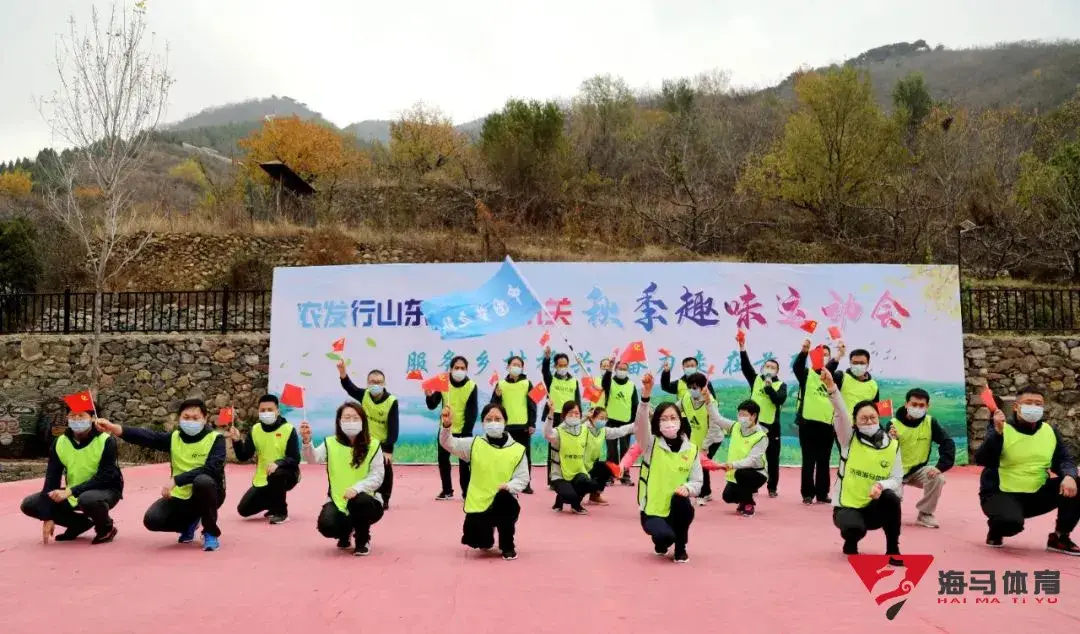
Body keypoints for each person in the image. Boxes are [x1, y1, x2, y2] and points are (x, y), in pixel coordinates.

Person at [95, 399, 227, 552]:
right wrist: (113, 428)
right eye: (186, 417)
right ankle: (189, 524)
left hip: (210, 493)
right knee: (152, 520)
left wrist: (177, 480)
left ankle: (210, 532)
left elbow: (211, 469)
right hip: (181, 495)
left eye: (195, 418)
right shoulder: (174, 438)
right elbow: (148, 437)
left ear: (205, 418)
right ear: (179, 418)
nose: (190, 421)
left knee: (203, 481)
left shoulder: (216, 439)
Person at [975, 387, 1080, 554]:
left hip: (1036, 492)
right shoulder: (1001, 428)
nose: (1034, 407)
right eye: (1028, 403)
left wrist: (1069, 475)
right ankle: (997, 528)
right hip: (1001, 492)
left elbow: (1064, 459)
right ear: (1016, 407)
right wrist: (997, 434)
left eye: (1038, 404)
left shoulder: (1049, 431)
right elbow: (982, 459)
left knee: (1077, 483)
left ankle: (1060, 537)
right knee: (1010, 523)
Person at [820, 371, 903, 561]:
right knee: (854, 528)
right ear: (855, 421)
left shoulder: (892, 445)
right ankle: (851, 540)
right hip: (847, 506)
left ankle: (893, 548)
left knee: (891, 498)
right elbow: (841, 413)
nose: (869, 422)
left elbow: (897, 479)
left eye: (873, 418)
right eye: (863, 419)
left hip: (873, 507)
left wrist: (881, 485)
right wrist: (832, 387)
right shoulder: (848, 439)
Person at [20, 405, 122, 544]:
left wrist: (71, 491)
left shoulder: (106, 440)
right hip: (73, 491)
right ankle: (79, 524)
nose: (76, 419)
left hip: (105, 490)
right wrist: (47, 516)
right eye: (72, 416)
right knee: (30, 504)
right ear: (67, 418)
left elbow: (105, 476)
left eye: (81, 416)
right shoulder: (60, 442)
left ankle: (106, 528)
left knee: (88, 499)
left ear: (92, 418)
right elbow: (52, 479)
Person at [440, 403, 530, 561]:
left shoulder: (517, 449)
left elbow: (523, 478)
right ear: (483, 423)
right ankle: (486, 534)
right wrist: (447, 427)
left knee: (504, 499)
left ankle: (507, 545)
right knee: (479, 543)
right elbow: (449, 444)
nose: (493, 423)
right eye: (489, 419)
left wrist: (509, 486)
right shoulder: (474, 444)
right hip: (479, 503)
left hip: (503, 501)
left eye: (497, 419)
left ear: (505, 422)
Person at [299, 403, 385, 556]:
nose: (351, 421)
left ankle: (363, 539)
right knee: (327, 526)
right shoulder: (330, 443)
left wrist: (357, 489)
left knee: (360, 502)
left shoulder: (374, 445)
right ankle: (345, 532)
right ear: (339, 421)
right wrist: (307, 442)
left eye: (355, 418)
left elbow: (377, 476)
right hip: (338, 500)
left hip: (367, 500)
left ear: (363, 421)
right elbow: (313, 459)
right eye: (347, 418)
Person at [635, 373, 703, 563]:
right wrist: (645, 397)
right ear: (657, 422)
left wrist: (688, 488)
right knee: (665, 537)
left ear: (680, 421)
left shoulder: (692, 449)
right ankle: (662, 540)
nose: (669, 422)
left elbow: (697, 482)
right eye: (664, 419)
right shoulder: (650, 444)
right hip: (653, 511)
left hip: (676, 509)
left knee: (682, 503)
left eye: (673, 417)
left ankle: (681, 548)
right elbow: (640, 425)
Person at [884, 388, 955, 529]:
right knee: (890, 508)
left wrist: (940, 466)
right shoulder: (893, 424)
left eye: (921, 405)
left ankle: (925, 514)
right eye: (914, 404)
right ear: (906, 404)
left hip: (917, 470)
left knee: (937, 478)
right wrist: (890, 440)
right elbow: (881, 451)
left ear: (927, 406)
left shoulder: (930, 422)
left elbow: (947, 443)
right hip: (894, 472)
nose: (917, 408)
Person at [229, 394, 300, 524]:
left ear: (277, 411)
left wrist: (278, 463)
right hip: (263, 478)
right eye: (263, 410)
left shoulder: (289, 429)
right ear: (258, 412)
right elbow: (243, 456)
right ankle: (273, 503)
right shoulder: (255, 430)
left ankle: (281, 512)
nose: (266, 413)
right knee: (243, 510)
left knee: (276, 473)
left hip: (287, 474)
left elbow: (294, 459)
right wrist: (237, 441)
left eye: (270, 410)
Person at [337, 362, 398, 509]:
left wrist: (388, 449)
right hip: (365, 440)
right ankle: (360, 493)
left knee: (385, 470)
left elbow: (394, 427)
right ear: (367, 383)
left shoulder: (391, 401)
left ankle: (385, 497)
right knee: (361, 467)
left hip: (382, 444)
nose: (375, 385)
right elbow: (349, 387)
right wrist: (342, 372)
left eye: (379, 382)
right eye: (372, 382)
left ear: (384, 384)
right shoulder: (364, 395)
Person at [738, 335, 788, 498]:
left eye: (773, 367)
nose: (769, 369)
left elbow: (779, 399)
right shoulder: (755, 380)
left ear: (777, 371)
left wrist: (769, 388)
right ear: (763, 368)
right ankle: (751, 485)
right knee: (751, 456)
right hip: (754, 426)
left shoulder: (781, 385)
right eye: (767, 366)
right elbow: (746, 367)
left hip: (772, 427)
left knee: (772, 459)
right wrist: (742, 348)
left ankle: (772, 487)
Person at [425, 356, 477, 501]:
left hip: (464, 431)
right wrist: (429, 396)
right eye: (456, 368)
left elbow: (472, 412)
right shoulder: (444, 383)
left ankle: (466, 492)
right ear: (451, 369)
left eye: (462, 368)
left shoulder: (471, 386)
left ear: (466, 370)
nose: (459, 370)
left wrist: (466, 432)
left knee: (464, 464)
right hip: (445, 429)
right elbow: (432, 405)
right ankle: (447, 491)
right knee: (443, 461)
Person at [793, 338, 836, 505]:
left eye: (826, 355)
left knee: (824, 460)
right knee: (809, 460)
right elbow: (797, 367)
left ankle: (822, 493)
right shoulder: (806, 374)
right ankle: (807, 494)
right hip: (808, 424)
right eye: (820, 354)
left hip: (827, 425)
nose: (823, 357)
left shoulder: (835, 377)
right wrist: (804, 352)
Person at [489, 356, 537, 494]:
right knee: (506, 455)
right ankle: (506, 482)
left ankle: (526, 484)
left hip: (523, 426)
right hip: (506, 427)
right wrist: (497, 396)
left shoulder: (527, 383)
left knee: (524, 456)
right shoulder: (501, 384)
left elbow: (532, 404)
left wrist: (532, 423)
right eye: (513, 364)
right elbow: (493, 405)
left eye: (519, 365)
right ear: (508, 367)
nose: (516, 367)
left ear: (522, 368)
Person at [716, 401, 770, 517]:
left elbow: (751, 461)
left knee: (741, 474)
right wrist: (708, 402)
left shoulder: (761, 437)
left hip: (757, 473)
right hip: (739, 471)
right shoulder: (735, 426)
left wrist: (732, 465)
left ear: (754, 416)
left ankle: (748, 504)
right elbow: (717, 418)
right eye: (739, 414)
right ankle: (744, 499)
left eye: (744, 415)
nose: (741, 417)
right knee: (728, 497)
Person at [678, 372, 722, 505]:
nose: (692, 390)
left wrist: (705, 447)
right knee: (695, 464)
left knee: (702, 464)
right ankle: (703, 491)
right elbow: (674, 408)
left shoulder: (710, 403)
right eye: (690, 387)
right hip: (696, 438)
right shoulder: (686, 397)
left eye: (695, 387)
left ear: (703, 388)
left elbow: (714, 428)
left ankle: (705, 493)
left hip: (712, 439)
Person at [545, 402, 596, 514]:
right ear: (564, 415)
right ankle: (563, 499)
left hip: (578, 472)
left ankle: (575, 505)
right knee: (570, 496)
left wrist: (591, 416)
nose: (574, 415)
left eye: (577, 413)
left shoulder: (584, 429)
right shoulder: (557, 432)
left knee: (591, 485)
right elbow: (547, 434)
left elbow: (579, 425)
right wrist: (551, 414)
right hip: (560, 475)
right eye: (570, 413)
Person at [541, 348, 581, 488]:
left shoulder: (574, 381)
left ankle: (567, 477)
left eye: (565, 365)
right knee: (553, 449)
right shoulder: (551, 379)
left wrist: (579, 416)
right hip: (555, 417)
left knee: (568, 447)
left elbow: (577, 400)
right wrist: (547, 358)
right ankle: (553, 479)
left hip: (569, 418)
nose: (563, 367)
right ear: (556, 366)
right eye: (560, 365)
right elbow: (545, 371)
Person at [583, 406, 633, 505]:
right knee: (573, 496)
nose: (604, 421)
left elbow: (619, 431)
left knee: (607, 467)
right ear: (592, 418)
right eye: (601, 418)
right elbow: (570, 428)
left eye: (605, 419)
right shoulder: (582, 428)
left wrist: (637, 423)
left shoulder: (603, 430)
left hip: (592, 466)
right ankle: (576, 494)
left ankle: (594, 496)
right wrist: (584, 417)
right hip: (579, 467)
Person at [601, 360, 639, 486]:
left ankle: (625, 476)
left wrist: (634, 423)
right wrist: (609, 370)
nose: (622, 371)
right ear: (615, 369)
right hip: (611, 422)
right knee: (611, 451)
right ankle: (610, 476)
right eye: (620, 368)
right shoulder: (610, 382)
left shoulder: (631, 385)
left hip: (626, 423)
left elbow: (635, 405)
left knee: (625, 450)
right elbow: (604, 383)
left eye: (624, 369)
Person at [829, 346, 880, 418]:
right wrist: (839, 354)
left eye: (862, 363)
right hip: (840, 422)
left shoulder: (874, 385)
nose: (858, 365)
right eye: (855, 363)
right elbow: (825, 372)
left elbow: (874, 411)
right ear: (850, 363)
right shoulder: (841, 376)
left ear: (868, 364)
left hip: (862, 424)